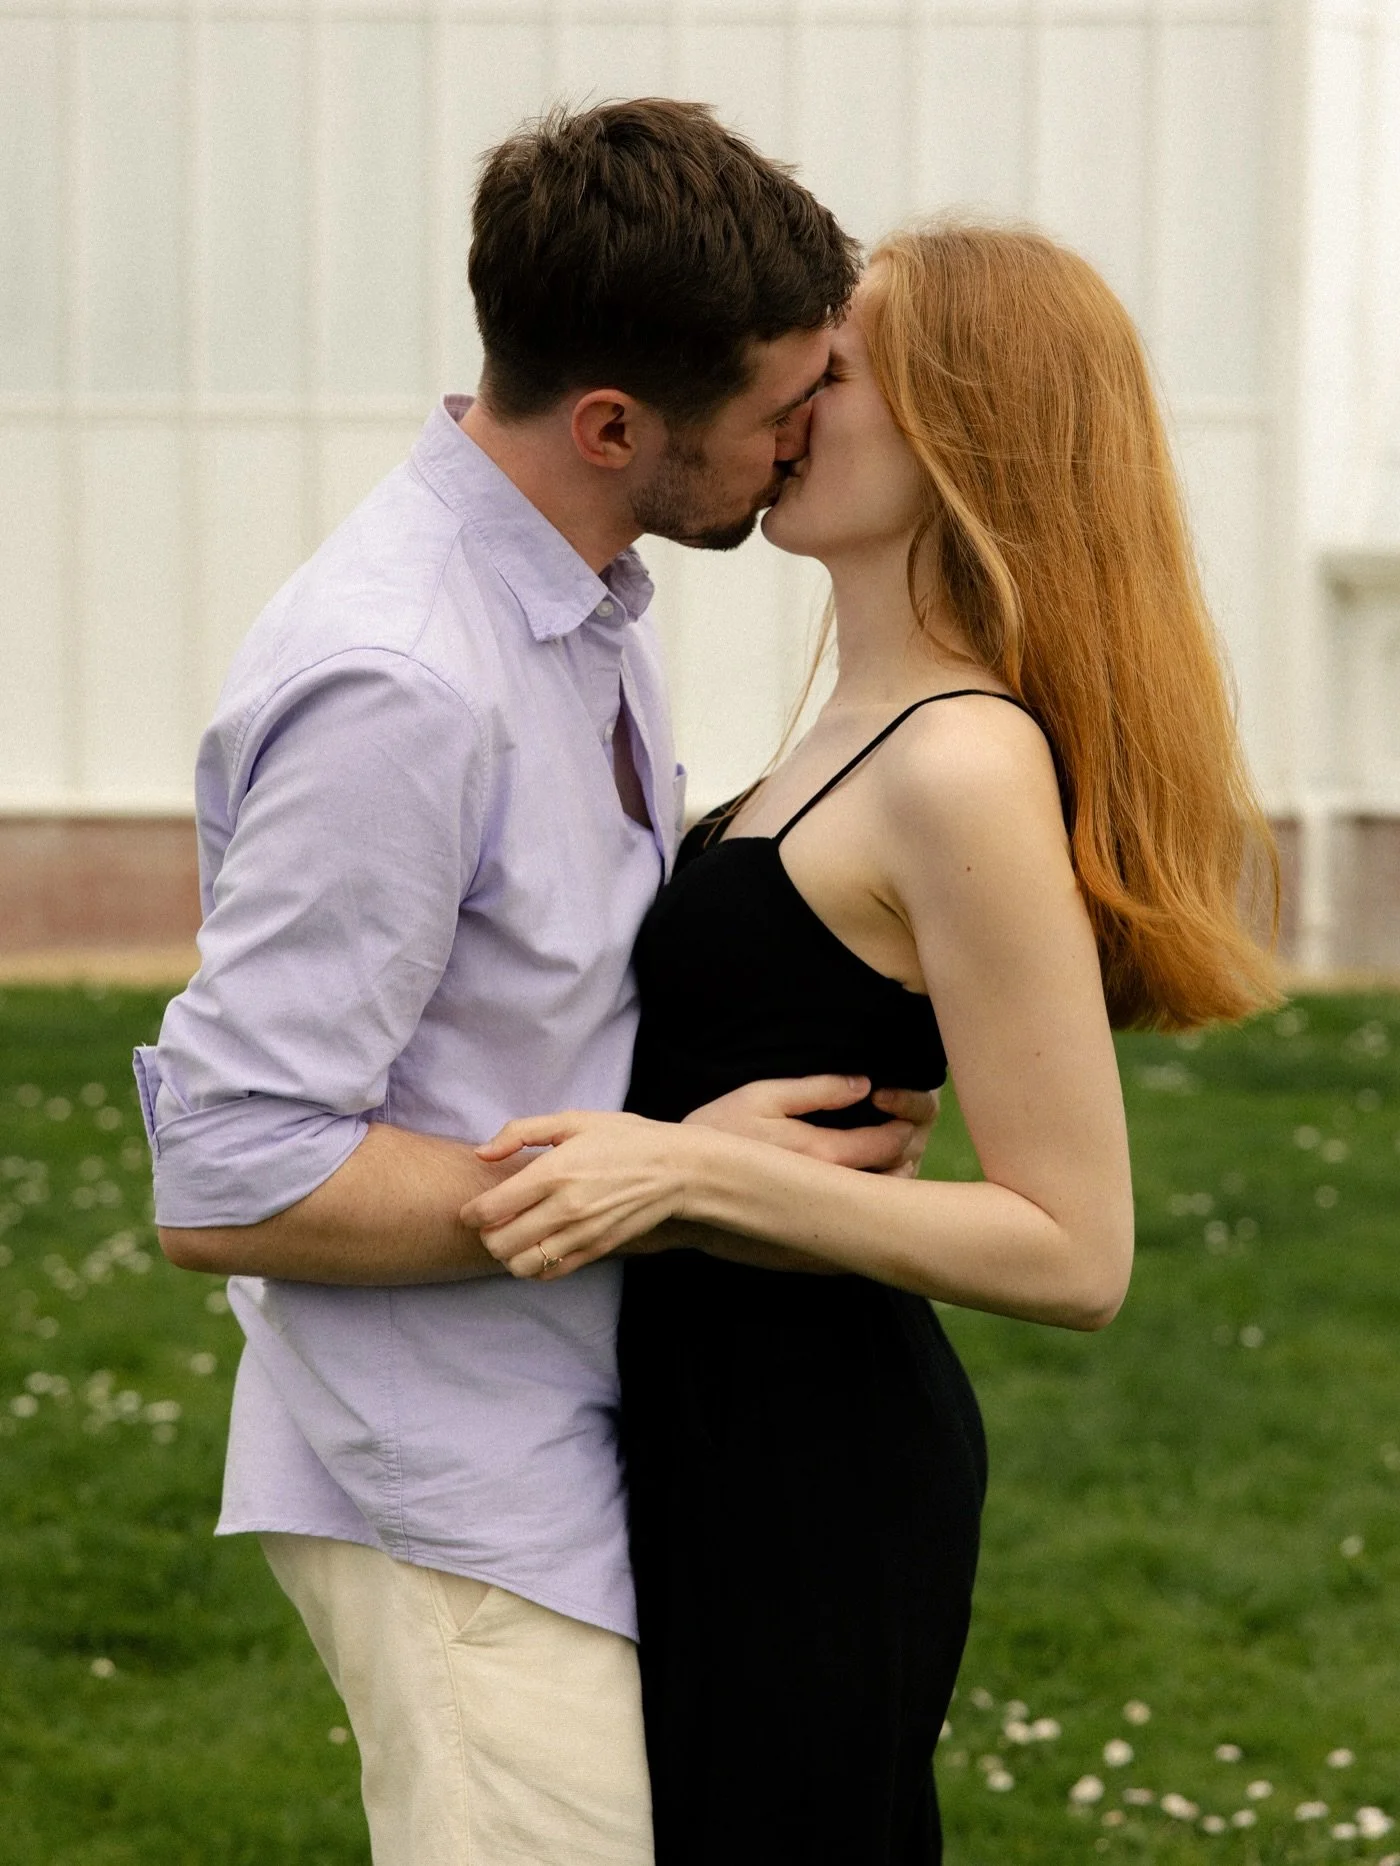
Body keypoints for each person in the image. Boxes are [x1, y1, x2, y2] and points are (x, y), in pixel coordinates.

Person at [135, 100, 939, 1866]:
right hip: (451, 1488)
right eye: (783, 402)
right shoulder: (405, 680)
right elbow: (231, 1168)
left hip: (563, 1438)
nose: (807, 435)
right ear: (611, 424)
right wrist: (668, 1183)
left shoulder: (578, 593)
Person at [466, 223, 1282, 1865]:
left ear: (961, 427)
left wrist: (687, 1169)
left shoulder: (960, 761)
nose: (780, 400)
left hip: (815, 1475)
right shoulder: (835, 726)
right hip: (698, 1431)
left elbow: (1075, 1247)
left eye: (831, 372)